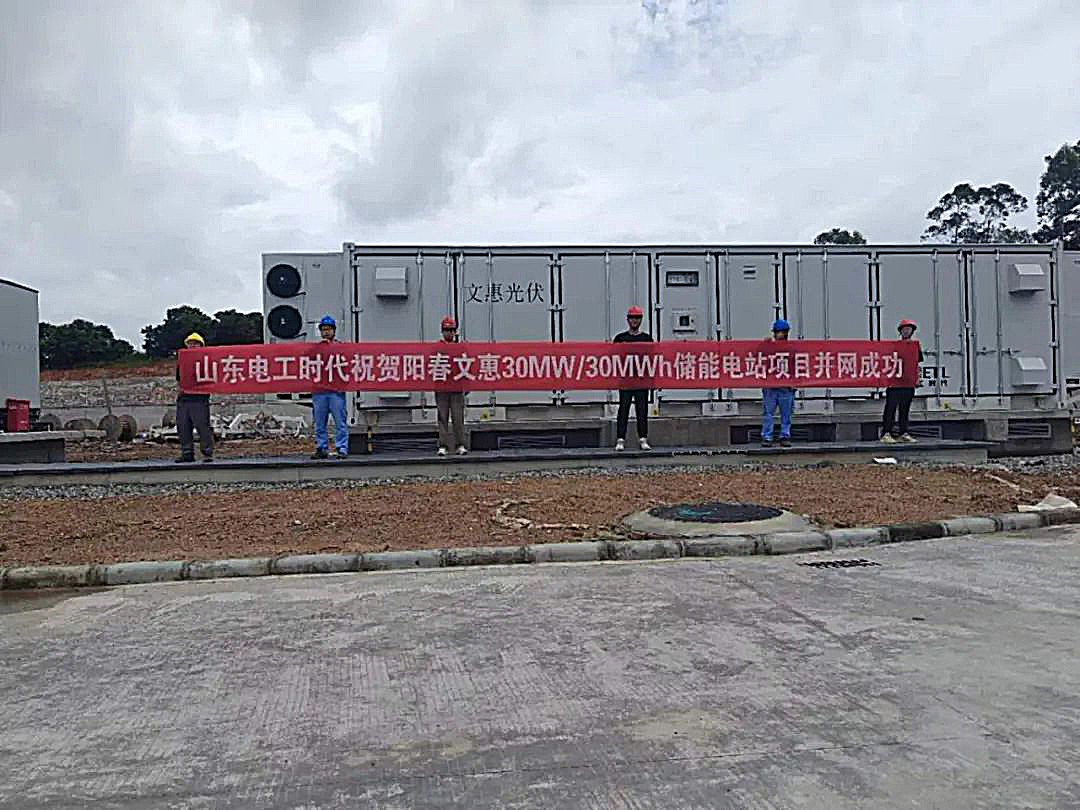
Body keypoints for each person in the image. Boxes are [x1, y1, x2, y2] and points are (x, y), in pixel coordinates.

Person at [613, 306, 652, 451]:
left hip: (642, 380)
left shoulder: (647, 339)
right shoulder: (620, 339)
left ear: (641, 320)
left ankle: (643, 438)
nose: (634, 320)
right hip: (626, 380)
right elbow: (613, 358)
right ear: (628, 320)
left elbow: (652, 360)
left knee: (642, 410)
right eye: (632, 318)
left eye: (637, 318)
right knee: (623, 409)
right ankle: (620, 439)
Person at [310, 315, 349, 459]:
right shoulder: (315, 349)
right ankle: (321, 448)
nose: (326, 332)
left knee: (340, 422)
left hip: (335, 391)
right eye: (324, 330)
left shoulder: (340, 347)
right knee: (319, 423)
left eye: (329, 329)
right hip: (319, 391)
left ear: (334, 331)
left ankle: (342, 449)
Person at [881, 319, 923, 443]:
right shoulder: (894, 346)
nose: (907, 331)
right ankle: (886, 433)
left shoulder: (915, 346)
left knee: (905, 409)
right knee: (891, 408)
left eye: (909, 329)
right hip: (894, 383)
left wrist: (916, 379)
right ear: (900, 331)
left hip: (908, 383)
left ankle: (903, 433)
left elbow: (916, 363)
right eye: (905, 329)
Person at [175, 332, 214, 463]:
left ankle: (207, 453)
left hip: (199, 398)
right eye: (190, 344)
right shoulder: (182, 361)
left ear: (201, 345)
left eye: (195, 344)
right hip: (184, 398)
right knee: (183, 426)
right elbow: (179, 378)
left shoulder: (205, 360)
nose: (192, 346)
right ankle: (187, 453)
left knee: (202, 426)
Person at [435, 316, 468, 456]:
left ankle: (460, 444)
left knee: (458, 417)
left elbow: (466, 366)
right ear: (442, 331)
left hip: (456, 387)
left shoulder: (460, 348)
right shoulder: (437, 348)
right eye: (447, 330)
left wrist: (466, 385)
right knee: (442, 417)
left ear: (455, 332)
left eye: (451, 330)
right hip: (441, 387)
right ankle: (443, 445)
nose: (449, 333)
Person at [761, 319, 795, 448]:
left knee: (786, 414)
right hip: (771, 386)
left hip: (785, 386)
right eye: (779, 332)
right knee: (768, 413)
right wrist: (763, 346)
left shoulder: (791, 349)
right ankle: (767, 437)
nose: (781, 335)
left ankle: (784, 436)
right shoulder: (768, 347)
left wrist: (795, 382)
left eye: (782, 332)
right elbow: (758, 358)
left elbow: (796, 366)